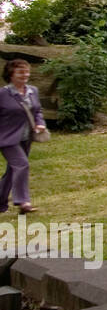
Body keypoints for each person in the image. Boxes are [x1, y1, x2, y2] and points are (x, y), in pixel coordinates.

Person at [0, 59, 46, 214]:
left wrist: (40, 123)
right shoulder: (3, 94)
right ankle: (23, 202)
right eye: (20, 72)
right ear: (10, 74)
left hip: (26, 138)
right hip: (6, 139)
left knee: (13, 170)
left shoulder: (33, 91)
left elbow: (37, 110)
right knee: (22, 165)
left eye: (26, 71)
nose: (25, 75)